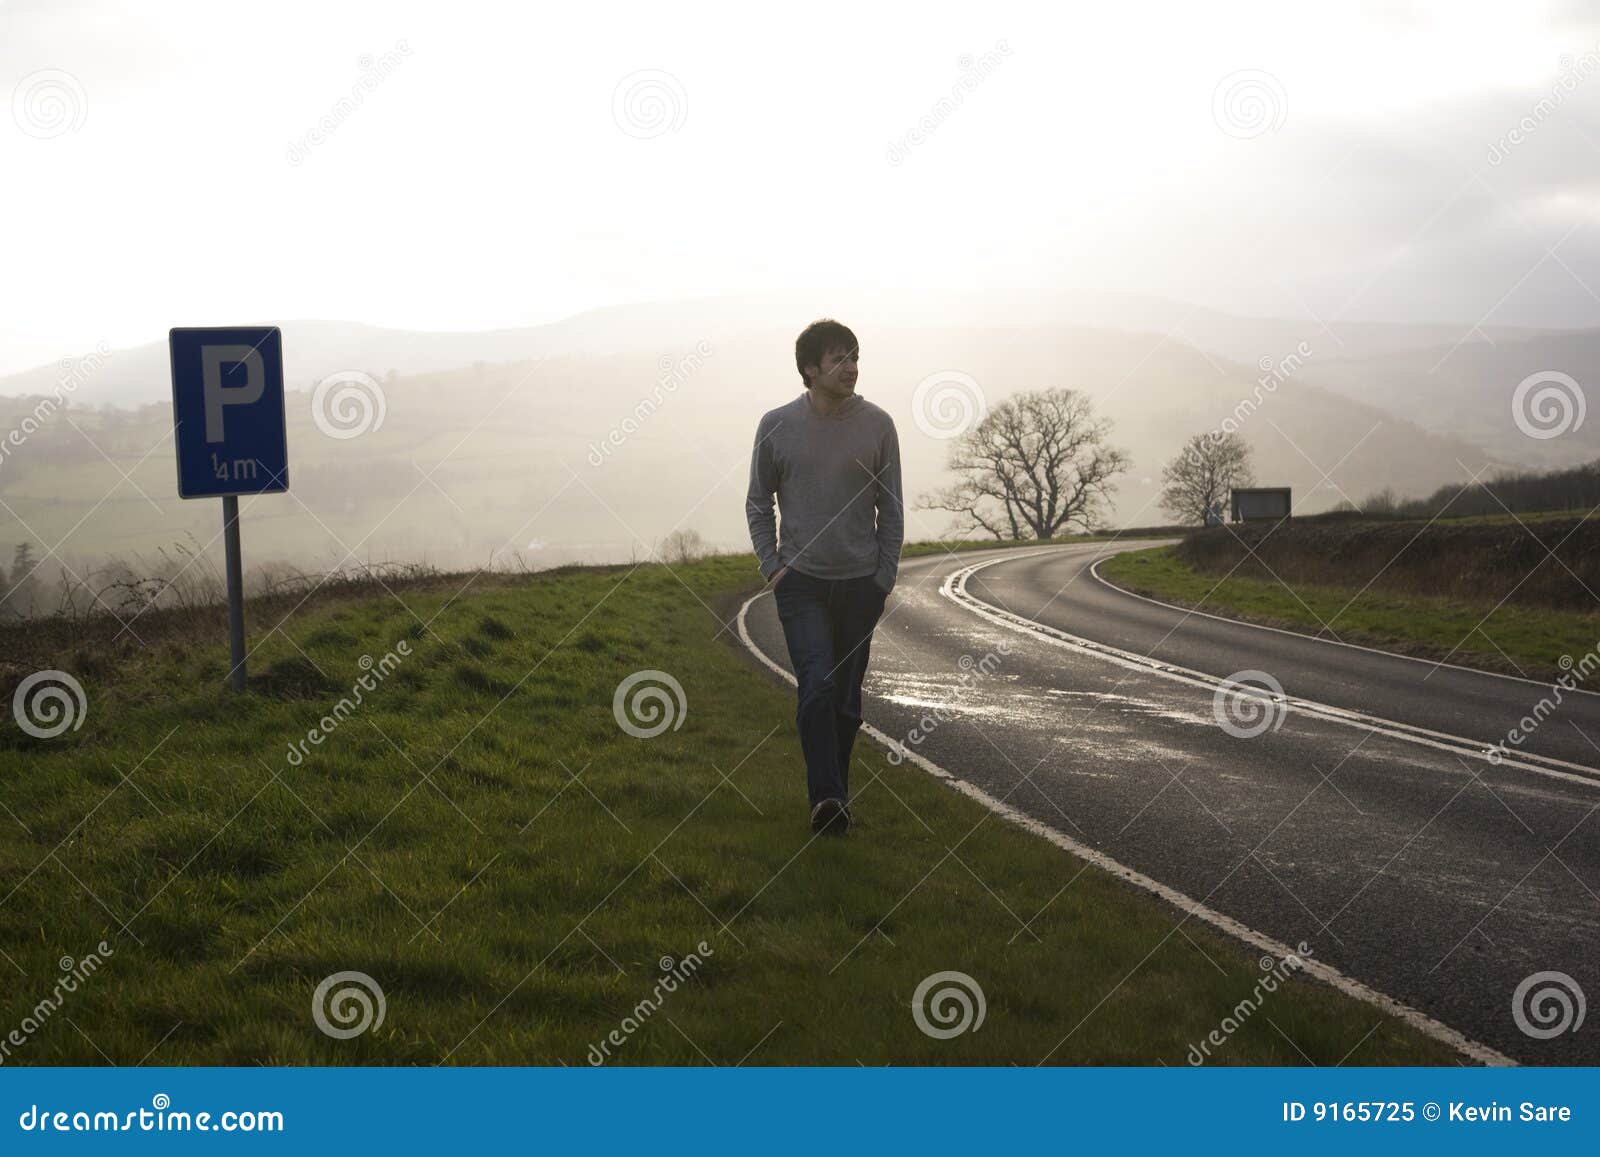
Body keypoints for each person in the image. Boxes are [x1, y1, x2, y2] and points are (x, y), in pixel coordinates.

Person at [744, 318, 904, 835]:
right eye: (838, 359)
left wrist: (884, 576)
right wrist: (773, 567)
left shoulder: (878, 424)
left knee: (846, 703)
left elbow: (892, 506)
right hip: (801, 584)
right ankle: (828, 798)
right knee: (816, 684)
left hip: (861, 584)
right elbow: (757, 501)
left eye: (855, 357)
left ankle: (834, 792)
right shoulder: (776, 425)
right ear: (810, 369)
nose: (851, 368)